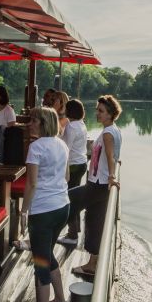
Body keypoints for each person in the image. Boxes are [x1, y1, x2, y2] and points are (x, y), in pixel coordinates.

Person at [20, 106, 70, 302]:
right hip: (63, 206)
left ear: (42, 123)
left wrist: (23, 211)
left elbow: (31, 185)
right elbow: (67, 177)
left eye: (33, 120)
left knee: (40, 264)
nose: (30, 123)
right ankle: (59, 300)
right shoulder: (62, 145)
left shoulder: (36, 147)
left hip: (42, 211)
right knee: (47, 254)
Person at [69, 95, 122, 277]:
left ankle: (53, 238)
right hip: (98, 183)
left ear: (110, 114)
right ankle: (93, 263)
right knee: (94, 221)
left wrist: (112, 176)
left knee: (67, 200)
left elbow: (110, 156)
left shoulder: (107, 133)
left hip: (99, 184)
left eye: (101, 111)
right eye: (97, 110)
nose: (97, 113)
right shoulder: (113, 130)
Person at [57, 99, 88, 246]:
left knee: (70, 199)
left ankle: (72, 234)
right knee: (74, 198)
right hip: (81, 163)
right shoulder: (81, 124)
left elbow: (65, 149)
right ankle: (75, 230)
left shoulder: (71, 127)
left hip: (73, 165)